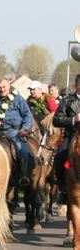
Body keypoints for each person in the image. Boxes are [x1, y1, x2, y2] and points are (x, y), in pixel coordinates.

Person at [0, 78, 33, 187]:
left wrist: (24, 128)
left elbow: (27, 115)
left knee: (22, 149)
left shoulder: (18, 99)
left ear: (9, 86)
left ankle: (23, 176)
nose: (2, 89)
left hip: (14, 131)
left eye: (4, 87)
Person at [53, 74, 80, 204]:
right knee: (59, 156)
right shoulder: (67, 101)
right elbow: (56, 119)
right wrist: (74, 119)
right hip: (73, 135)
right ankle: (63, 189)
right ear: (76, 86)